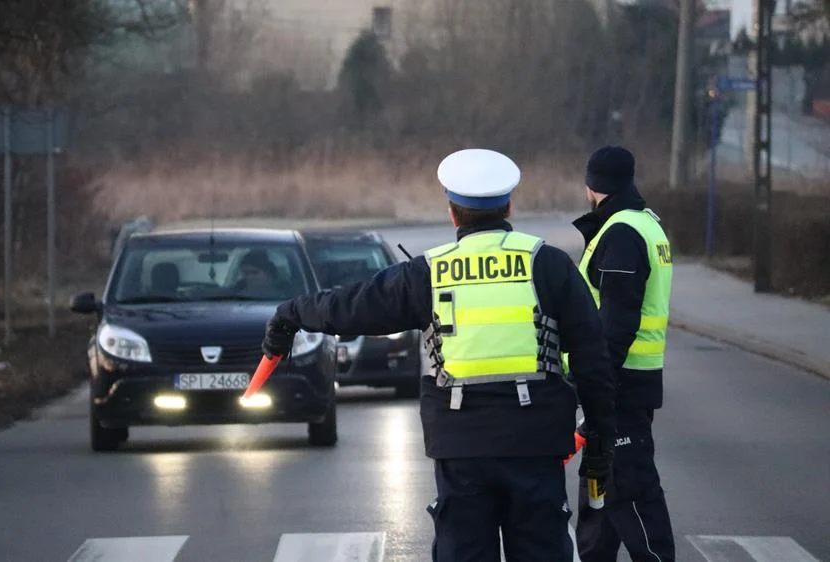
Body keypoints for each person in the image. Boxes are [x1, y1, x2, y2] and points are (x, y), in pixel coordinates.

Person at [261, 148, 618, 561]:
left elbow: (351, 306)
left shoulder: (428, 272)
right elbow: (594, 361)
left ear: (452, 212)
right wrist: (600, 440)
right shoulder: (548, 264)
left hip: (460, 449)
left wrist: (291, 314)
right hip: (535, 446)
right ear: (509, 206)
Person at [571, 146, 675, 562]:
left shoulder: (623, 233)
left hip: (619, 384)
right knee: (599, 491)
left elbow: (617, 322)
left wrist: (598, 383)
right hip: (628, 379)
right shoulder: (645, 225)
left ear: (593, 187)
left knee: (631, 487)